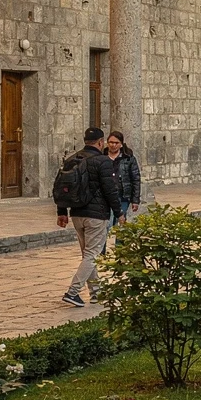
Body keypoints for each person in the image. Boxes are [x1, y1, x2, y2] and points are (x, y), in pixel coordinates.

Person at [55, 126, 122, 307]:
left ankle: (96, 292)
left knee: (87, 254)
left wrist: (62, 212)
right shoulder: (102, 161)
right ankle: (73, 292)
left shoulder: (71, 160)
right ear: (101, 143)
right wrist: (119, 213)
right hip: (97, 215)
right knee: (92, 254)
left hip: (77, 214)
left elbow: (63, 187)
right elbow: (110, 190)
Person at [105, 129, 141, 227]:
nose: (113, 145)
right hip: (106, 196)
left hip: (123, 196)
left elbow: (135, 179)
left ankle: (119, 242)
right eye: (111, 142)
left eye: (116, 143)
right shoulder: (102, 157)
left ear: (121, 144)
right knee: (107, 224)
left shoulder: (128, 158)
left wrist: (135, 200)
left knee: (120, 223)